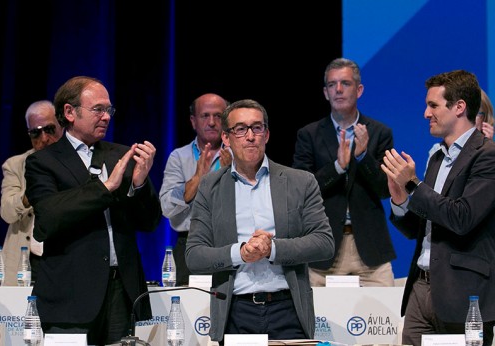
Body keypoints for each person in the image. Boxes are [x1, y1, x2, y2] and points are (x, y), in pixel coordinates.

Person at [24, 76, 162, 345]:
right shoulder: (43, 161)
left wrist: (140, 184)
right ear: (69, 112)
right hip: (70, 295)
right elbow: (48, 219)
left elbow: (149, 223)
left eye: (109, 110)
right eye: (98, 109)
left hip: (121, 292)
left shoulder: (121, 155)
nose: (106, 117)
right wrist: (106, 187)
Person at [185, 99, 334, 342]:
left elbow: (324, 243)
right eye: (241, 129)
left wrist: (272, 249)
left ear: (267, 135)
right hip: (235, 312)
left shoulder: (301, 181)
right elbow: (194, 255)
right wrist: (241, 253)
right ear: (226, 138)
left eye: (257, 128)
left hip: (288, 309)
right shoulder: (209, 187)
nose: (250, 136)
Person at [381, 70, 495, 346]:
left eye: (433, 105)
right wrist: (399, 199)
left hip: (463, 293)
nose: (425, 113)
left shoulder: (487, 156)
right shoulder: (437, 158)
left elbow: (461, 217)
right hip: (420, 290)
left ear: (459, 107)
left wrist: (413, 184)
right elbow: (420, 227)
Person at [292, 57, 396, 287]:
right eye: (332, 84)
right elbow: (300, 191)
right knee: (319, 321)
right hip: (324, 250)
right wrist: (337, 167)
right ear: (325, 92)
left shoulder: (379, 133)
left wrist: (362, 157)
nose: (338, 90)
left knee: (383, 319)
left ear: (359, 90)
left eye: (345, 84)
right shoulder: (309, 135)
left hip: (370, 249)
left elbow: (384, 190)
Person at [159, 93, 231, 286]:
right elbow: (167, 207)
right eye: (205, 115)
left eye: (218, 116)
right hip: (189, 245)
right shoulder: (178, 157)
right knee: (189, 312)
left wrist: (232, 174)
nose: (212, 122)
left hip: (230, 246)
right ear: (193, 121)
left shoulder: (240, 157)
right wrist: (198, 178)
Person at [0, 100, 63, 286]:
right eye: (36, 132)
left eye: (49, 129)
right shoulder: (15, 165)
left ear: (61, 125)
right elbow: (7, 212)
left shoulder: (76, 163)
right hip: (28, 259)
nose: (43, 138)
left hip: (65, 256)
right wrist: (29, 195)